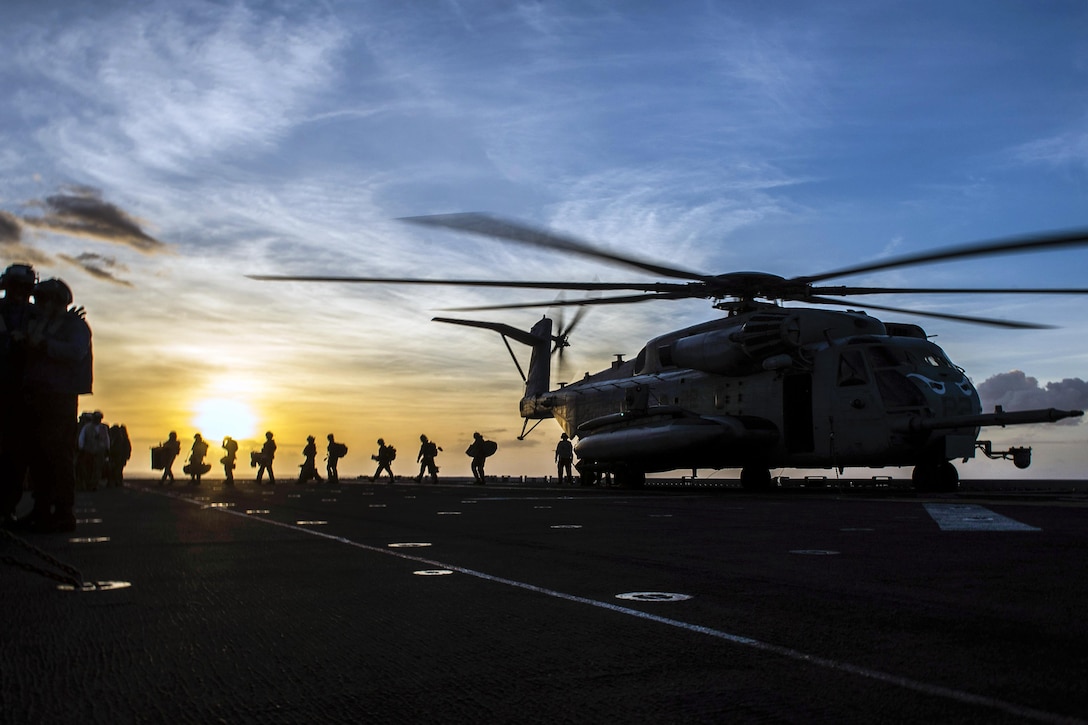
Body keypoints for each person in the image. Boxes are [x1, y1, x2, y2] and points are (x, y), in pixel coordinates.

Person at [15, 278, 92, 533]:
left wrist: (45, 345)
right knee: (37, 455)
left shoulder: (75, 326)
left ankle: (62, 511)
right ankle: (41, 508)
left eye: (43, 299)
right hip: (36, 396)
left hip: (60, 397)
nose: (38, 304)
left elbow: (76, 352)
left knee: (59, 455)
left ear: (55, 301)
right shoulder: (41, 324)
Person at [0, 264, 35, 527]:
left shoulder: (36, 315)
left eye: (24, 287)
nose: (18, 292)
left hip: (25, 392)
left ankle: (8, 506)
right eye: (14, 286)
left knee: (17, 454)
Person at [77, 410, 109, 491]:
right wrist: (81, 448)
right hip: (88, 451)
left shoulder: (103, 428)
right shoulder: (87, 427)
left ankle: (94, 484)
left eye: (99, 418)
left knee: (97, 469)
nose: (98, 420)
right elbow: (82, 438)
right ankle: (88, 483)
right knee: (88, 468)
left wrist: (107, 449)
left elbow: (106, 439)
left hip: (99, 451)